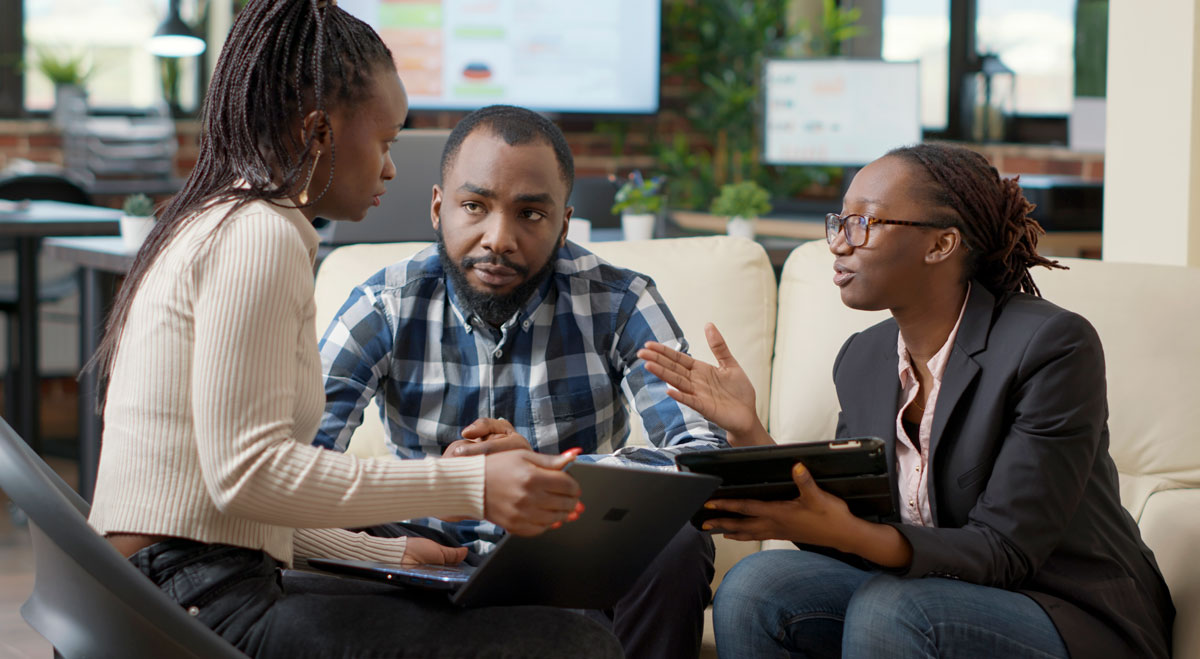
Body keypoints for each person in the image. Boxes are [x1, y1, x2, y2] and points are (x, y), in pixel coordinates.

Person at [84, 3, 622, 657]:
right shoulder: (262, 232)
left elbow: (229, 502)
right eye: (387, 140)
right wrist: (471, 487)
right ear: (317, 133)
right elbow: (248, 473)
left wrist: (390, 548)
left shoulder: (220, 215)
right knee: (573, 642)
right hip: (191, 602)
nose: (392, 168)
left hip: (166, 585)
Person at [638, 143, 1175, 658]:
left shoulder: (1052, 346)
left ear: (940, 244)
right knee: (758, 585)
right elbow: (856, 528)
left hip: (1065, 611)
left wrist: (854, 533)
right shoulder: (864, 359)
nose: (839, 243)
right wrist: (749, 432)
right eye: (839, 222)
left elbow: (1006, 551)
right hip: (919, 596)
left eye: (864, 222)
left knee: (893, 606)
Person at [316, 104, 726, 658]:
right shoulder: (384, 303)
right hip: (420, 549)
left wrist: (548, 474)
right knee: (325, 542)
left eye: (530, 215)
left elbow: (701, 457)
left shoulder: (621, 301)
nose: (499, 238)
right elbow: (302, 464)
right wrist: (444, 486)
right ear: (439, 208)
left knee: (675, 541)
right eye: (474, 206)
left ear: (563, 224)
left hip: (566, 556)